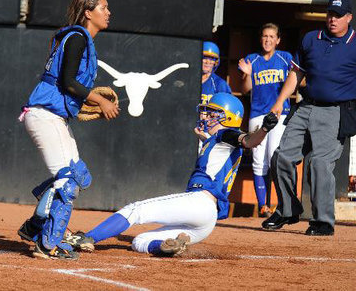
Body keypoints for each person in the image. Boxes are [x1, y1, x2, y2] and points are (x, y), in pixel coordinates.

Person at [61, 93, 278, 256]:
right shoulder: (216, 140)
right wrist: (205, 139)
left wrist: (264, 130)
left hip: (200, 202)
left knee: (134, 210)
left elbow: (249, 141)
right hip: (206, 222)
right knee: (140, 242)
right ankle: (170, 246)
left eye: (213, 113)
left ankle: (88, 237)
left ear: (227, 118)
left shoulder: (225, 134)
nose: (207, 116)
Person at [17, 0, 119, 259]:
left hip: (51, 115)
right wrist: (99, 100)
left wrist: (83, 100)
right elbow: (68, 83)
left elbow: (68, 85)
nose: (108, 12)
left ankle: (35, 226)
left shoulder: (78, 38)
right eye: (103, 8)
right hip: (44, 115)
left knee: (79, 174)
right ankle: (47, 244)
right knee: (68, 180)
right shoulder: (76, 38)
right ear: (88, 12)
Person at [262, 0, 356, 236]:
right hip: (305, 107)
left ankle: (323, 221)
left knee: (320, 164)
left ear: (349, 17)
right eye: (330, 14)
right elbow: (296, 73)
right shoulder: (311, 39)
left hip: (335, 111)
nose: (333, 19)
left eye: (338, 15)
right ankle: (287, 210)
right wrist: (279, 102)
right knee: (281, 157)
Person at [238, 23, 293, 217]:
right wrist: (246, 73)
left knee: (274, 158)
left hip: (279, 113)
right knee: (258, 160)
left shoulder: (285, 58)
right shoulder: (252, 59)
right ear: (260, 39)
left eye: (271, 36)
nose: (267, 40)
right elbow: (245, 89)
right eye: (264, 36)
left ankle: (282, 205)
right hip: (257, 114)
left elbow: (299, 81)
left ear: (278, 40)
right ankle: (263, 205)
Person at [201, 41, 232, 106]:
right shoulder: (189, 80)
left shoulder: (220, 84)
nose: (208, 62)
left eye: (212, 59)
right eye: (204, 57)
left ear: (216, 62)